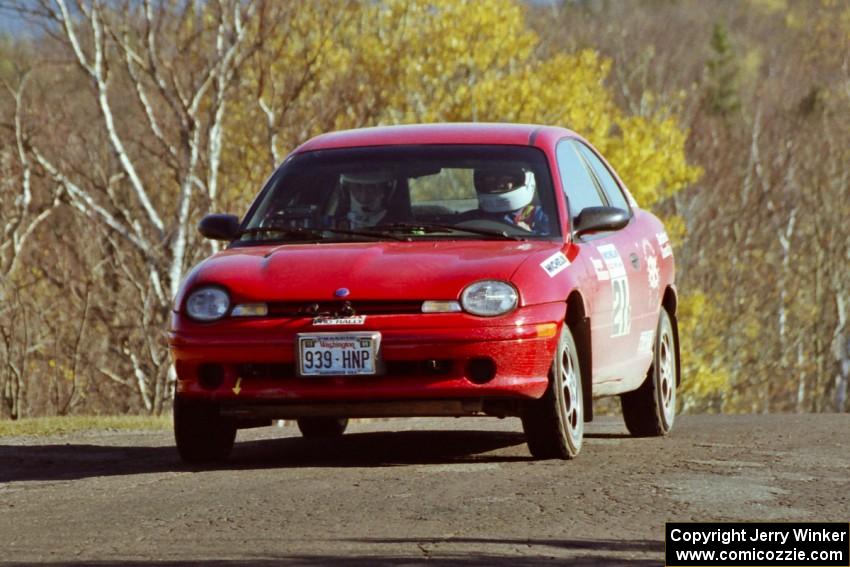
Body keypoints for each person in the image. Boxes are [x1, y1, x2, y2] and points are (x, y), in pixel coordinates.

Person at [471, 167, 550, 234]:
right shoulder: (474, 218)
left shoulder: (539, 215)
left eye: (506, 179)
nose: (499, 184)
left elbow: (554, 242)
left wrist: (529, 234)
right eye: (491, 180)